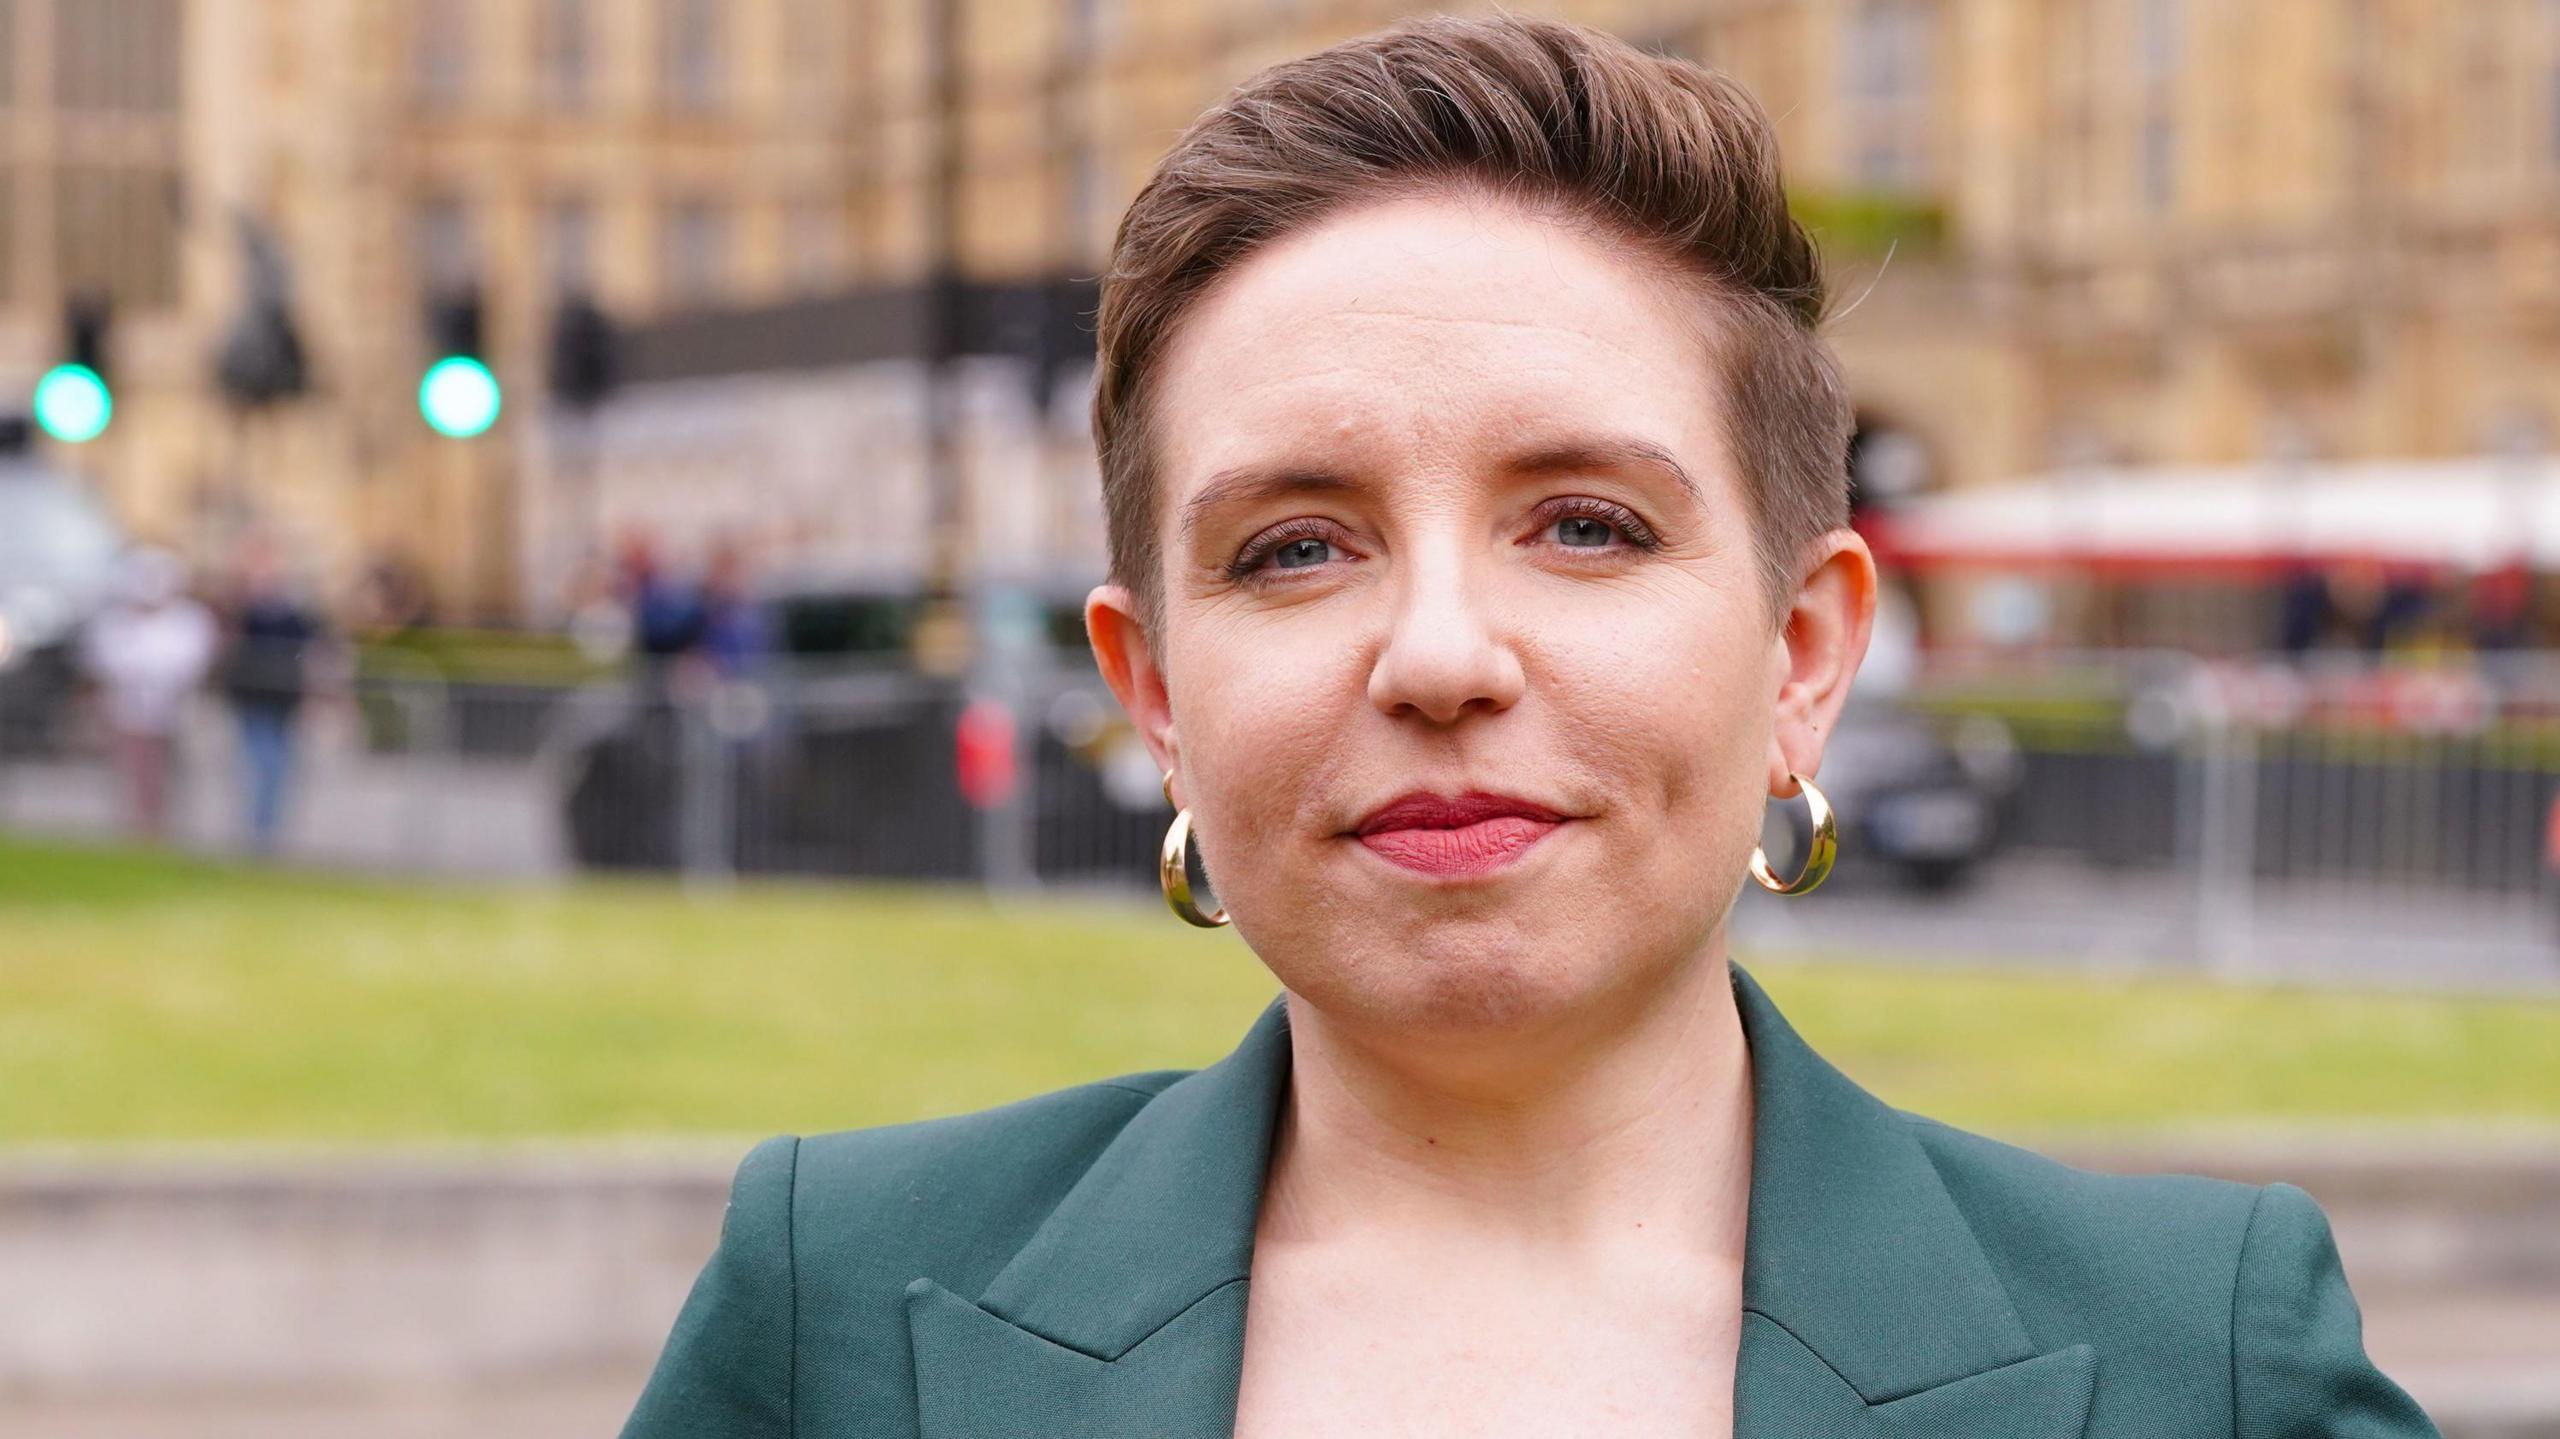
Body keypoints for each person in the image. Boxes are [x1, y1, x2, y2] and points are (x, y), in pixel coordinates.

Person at [621, 17, 2438, 1437]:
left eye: (1586, 523)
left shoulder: (2203, 1356)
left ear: (1805, 651)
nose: (1439, 654)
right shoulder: (839, 1304)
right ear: (1157, 694)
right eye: (1296, 544)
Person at [78, 547, 217, 844]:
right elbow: (104, 660)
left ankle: (162, 829)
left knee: (166, 776)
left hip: (172, 711)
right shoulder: (116, 621)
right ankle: (135, 830)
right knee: (132, 773)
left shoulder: (187, 620)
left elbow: (191, 661)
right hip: (127, 710)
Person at [217, 544, 329, 856]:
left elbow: (314, 653)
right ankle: (257, 829)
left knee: (275, 767)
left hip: (282, 700)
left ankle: (264, 830)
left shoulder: (294, 615)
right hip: (252, 698)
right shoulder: (244, 612)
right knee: (260, 763)